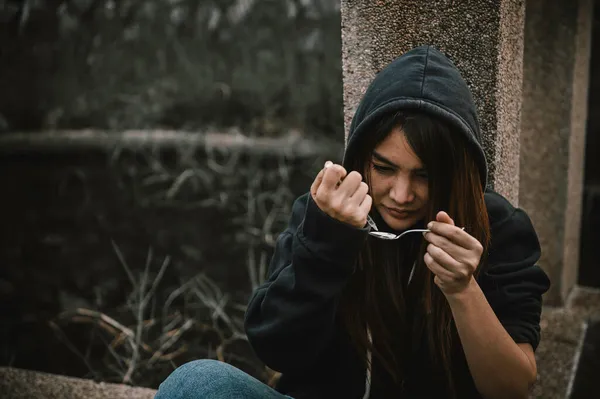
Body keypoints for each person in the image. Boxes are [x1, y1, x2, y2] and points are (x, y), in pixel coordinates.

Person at [154, 45, 551, 399]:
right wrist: (329, 245)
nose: (401, 194)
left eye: (424, 175)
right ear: (362, 159)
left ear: (455, 173)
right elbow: (277, 348)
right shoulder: (326, 215)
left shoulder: (498, 228)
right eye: (384, 168)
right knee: (196, 382)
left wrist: (463, 290)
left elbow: (513, 387)